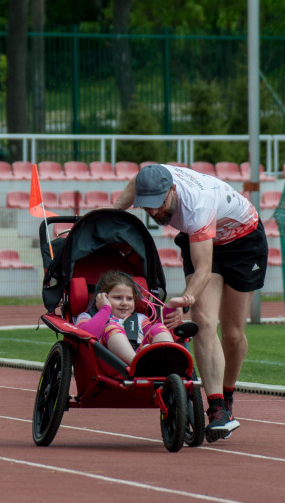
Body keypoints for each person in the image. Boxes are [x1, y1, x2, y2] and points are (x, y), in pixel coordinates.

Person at [114, 163, 268, 442]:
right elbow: (137, 180)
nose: (154, 213)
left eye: (158, 205)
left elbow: (203, 270)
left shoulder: (197, 206)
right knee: (203, 322)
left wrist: (186, 299)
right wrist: (112, 214)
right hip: (203, 242)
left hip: (243, 242)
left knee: (233, 333)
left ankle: (228, 391)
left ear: (172, 190)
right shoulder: (152, 179)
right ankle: (218, 408)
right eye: (147, 207)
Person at [75, 270, 175, 364]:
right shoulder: (88, 317)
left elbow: (155, 336)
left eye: (129, 299)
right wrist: (105, 309)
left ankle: (170, 363)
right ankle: (136, 363)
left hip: (142, 362)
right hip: (108, 365)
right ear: (102, 297)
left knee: (158, 328)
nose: (124, 303)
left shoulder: (140, 319)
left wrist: (170, 308)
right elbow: (84, 337)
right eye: (117, 298)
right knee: (112, 327)